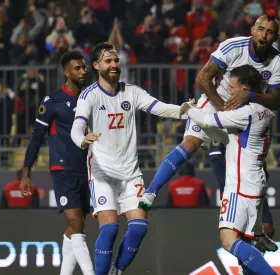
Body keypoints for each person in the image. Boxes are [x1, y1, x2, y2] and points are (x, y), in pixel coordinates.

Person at [140, 10, 280, 243]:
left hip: (245, 110)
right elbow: (203, 78)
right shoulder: (232, 47)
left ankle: (263, 225)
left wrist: (249, 96)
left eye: (270, 33)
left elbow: (277, 99)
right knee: (190, 143)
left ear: (275, 37)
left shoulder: (277, 61)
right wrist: (221, 105)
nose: (264, 35)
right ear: (253, 30)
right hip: (216, 101)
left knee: (253, 163)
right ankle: (151, 191)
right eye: (261, 29)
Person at [70, 42, 187, 275]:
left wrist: (182, 110)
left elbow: (158, 107)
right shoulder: (89, 95)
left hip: (130, 173)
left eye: (116, 60)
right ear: (96, 65)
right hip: (102, 172)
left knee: (139, 228)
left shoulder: (131, 92)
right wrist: (81, 139)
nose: (114, 64)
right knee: (110, 229)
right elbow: (77, 126)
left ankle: (117, 270)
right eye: (108, 61)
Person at [181, 64, 277, 275]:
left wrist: (188, 108)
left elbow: (206, 119)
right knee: (244, 242)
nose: (229, 91)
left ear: (245, 90)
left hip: (239, 186)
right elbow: (235, 137)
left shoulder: (246, 113)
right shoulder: (266, 111)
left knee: (229, 240)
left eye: (232, 87)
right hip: (255, 184)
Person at [20, 51, 95, 275]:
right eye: (77, 68)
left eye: (84, 67)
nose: (83, 71)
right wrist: (26, 173)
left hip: (88, 169)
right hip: (63, 169)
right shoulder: (52, 101)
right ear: (66, 72)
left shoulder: (90, 98)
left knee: (76, 227)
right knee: (76, 223)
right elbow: (36, 137)